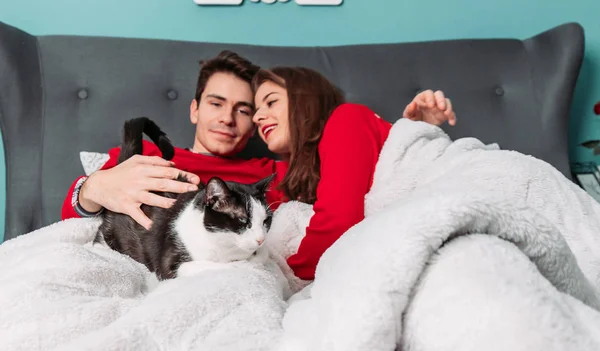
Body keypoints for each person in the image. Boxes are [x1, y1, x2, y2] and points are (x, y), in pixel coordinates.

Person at [62, 50, 452, 239]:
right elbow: (70, 217)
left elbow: (354, 175)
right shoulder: (144, 157)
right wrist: (93, 188)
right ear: (195, 109)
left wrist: (410, 132)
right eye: (216, 104)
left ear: (256, 126)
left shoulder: (273, 176)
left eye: (245, 110)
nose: (228, 118)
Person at [251, 66, 456, 281]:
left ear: (305, 100)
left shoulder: (346, 118)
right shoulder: (296, 175)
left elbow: (338, 221)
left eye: (271, 102)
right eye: (255, 110)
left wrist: (283, 279)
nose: (257, 117)